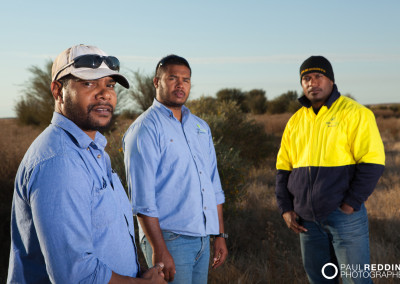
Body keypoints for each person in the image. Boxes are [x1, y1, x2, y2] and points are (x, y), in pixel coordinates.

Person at [7, 44, 166, 284]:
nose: (105, 94)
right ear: (58, 91)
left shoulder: (92, 150)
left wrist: (136, 273)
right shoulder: (59, 163)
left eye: (109, 85)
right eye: (88, 83)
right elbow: (75, 276)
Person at [275, 56, 385, 284]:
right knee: (320, 281)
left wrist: (350, 203)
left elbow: (373, 163)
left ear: (331, 81)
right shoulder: (295, 121)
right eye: (306, 78)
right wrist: (286, 208)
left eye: (318, 76)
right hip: (306, 221)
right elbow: (283, 169)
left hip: (344, 216)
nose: (312, 82)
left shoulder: (356, 113)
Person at [123, 55, 228, 283]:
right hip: (169, 239)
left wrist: (219, 234)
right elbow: (142, 200)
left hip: (202, 238)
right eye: (172, 78)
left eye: (186, 80)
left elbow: (213, 184)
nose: (180, 85)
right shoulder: (144, 129)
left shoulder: (200, 127)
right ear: (156, 82)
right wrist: (159, 248)